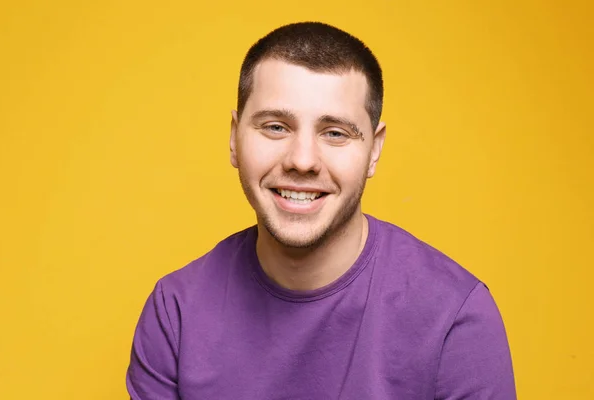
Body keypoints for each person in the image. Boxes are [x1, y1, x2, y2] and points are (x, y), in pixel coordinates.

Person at [126, 21, 516, 399]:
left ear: (374, 151)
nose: (302, 160)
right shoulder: (175, 312)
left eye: (335, 133)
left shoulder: (455, 317)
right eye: (276, 127)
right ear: (234, 137)